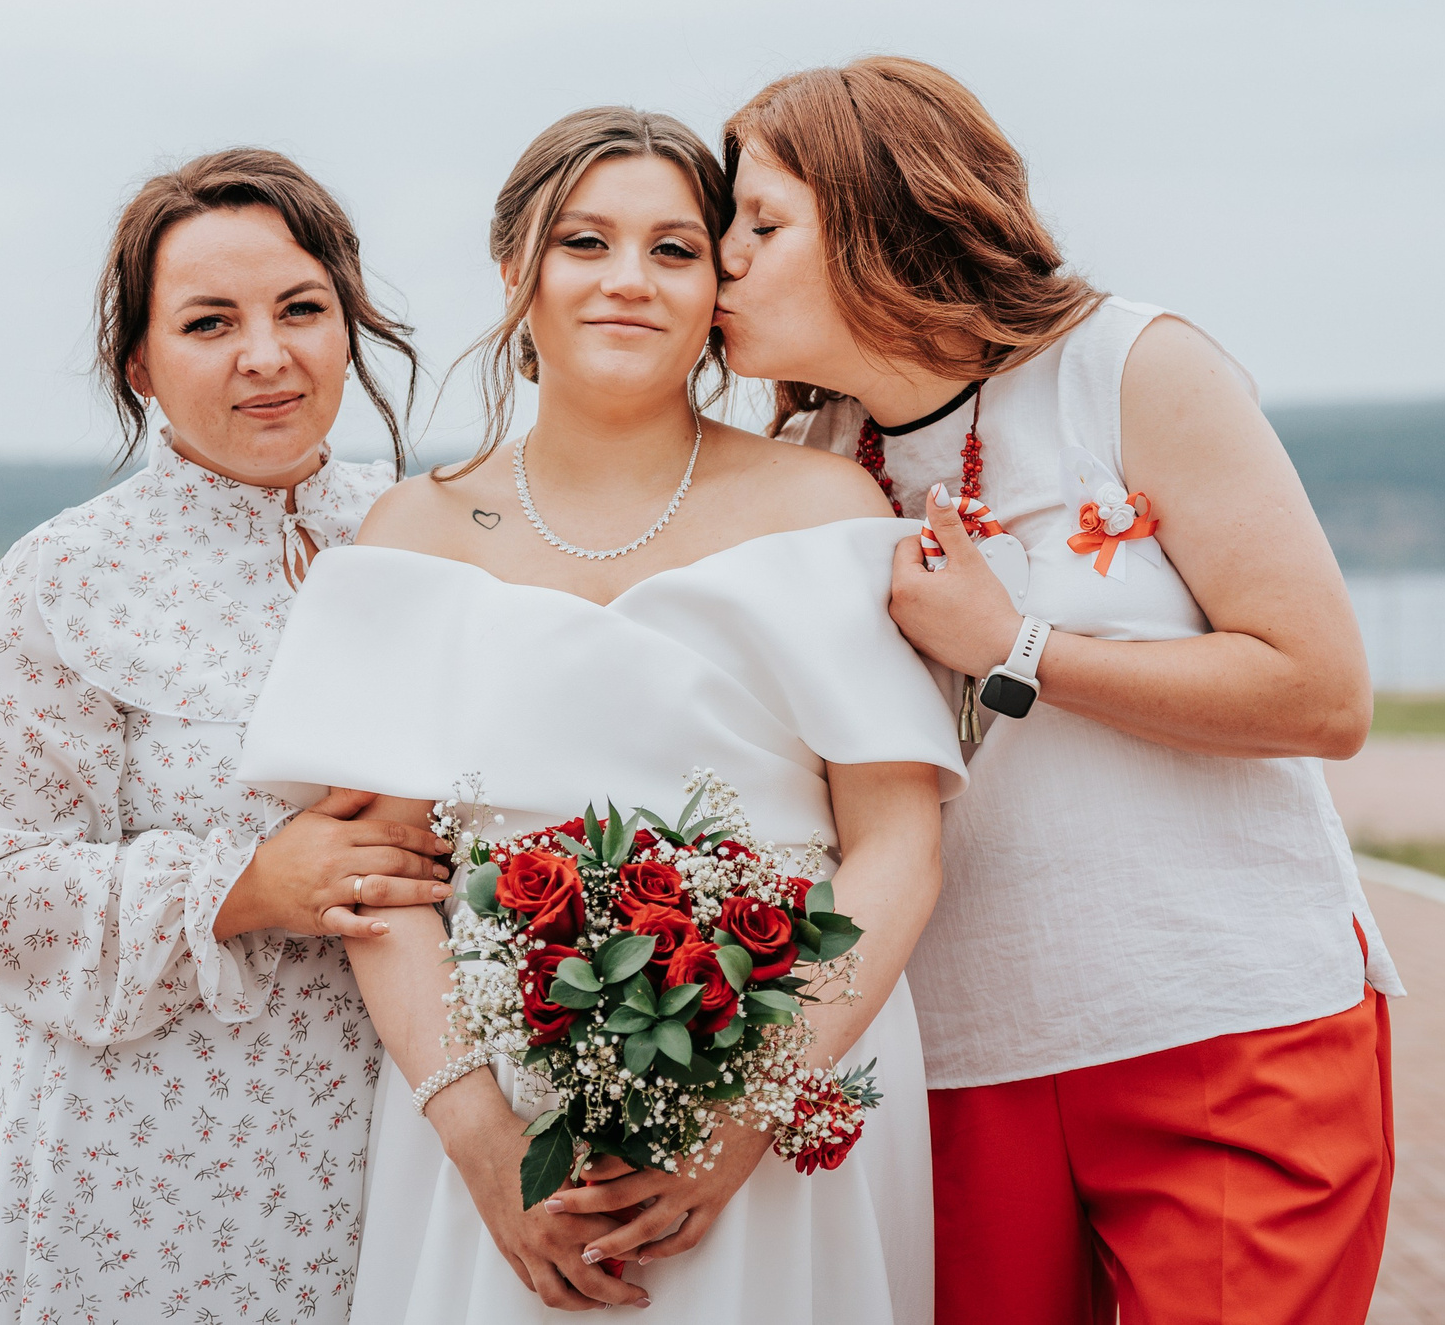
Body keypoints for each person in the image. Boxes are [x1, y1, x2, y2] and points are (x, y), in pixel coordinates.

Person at [240, 107, 964, 1321]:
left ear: (717, 287)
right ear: (514, 270)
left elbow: (899, 847)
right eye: (585, 242)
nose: (629, 279)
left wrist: (748, 1113)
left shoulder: (826, 506)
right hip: (497, 1103)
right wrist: (482, 1143)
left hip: (789, 1086)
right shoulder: (410, 533)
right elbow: (381, 882)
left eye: (674, 250)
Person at [713, 58, 1403, 1325]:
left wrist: (1015, 647)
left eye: (762, 224)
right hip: (949, 1067)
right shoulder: (802, 467)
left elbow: (1319, 693)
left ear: (880, 215)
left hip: (1223, 1025)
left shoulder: (1131, 366)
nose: (723, 260)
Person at [0, 150, 458, 1325]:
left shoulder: (429, 536)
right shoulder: (64, 580)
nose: (265, 356)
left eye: (300, 309)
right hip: (129, 1179)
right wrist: (250, 884)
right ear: (140, 363)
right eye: (210, 323)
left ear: (349, 323)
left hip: (395, 1161)